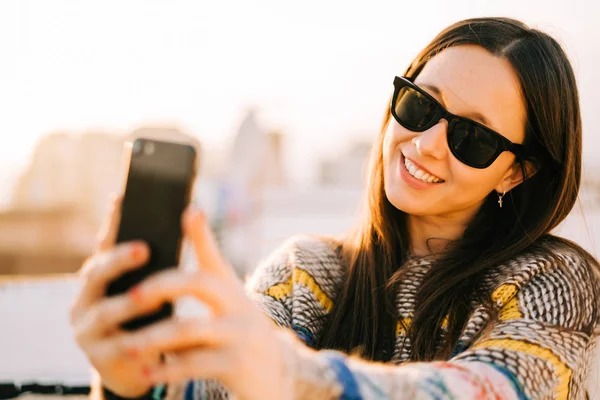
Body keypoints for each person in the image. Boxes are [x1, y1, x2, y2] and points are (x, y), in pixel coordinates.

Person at [70, 17, 600, 400]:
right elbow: (219, 389)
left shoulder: (555, 281)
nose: (428, 143)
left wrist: (293, 378)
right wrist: (127, 383)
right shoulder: (303, 275)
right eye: (421, 106)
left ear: (516, 171)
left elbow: (492, 389)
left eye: (472, 137)